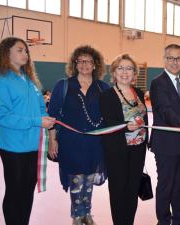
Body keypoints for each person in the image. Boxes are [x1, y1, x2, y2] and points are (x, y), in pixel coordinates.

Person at [0, 37, 55, 225]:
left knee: (27, 188)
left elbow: (40, 107)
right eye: (20, 50)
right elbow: (2, 116)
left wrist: (47, 119)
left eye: (26, 51)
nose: (25, 54)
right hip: (12, 145)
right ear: (6, 53)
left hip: (32, 143)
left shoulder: (28, 80)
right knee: (15, 189)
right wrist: (37, 120)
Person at [47, 45, 110, 225]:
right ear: (75, 63)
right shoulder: (63, 85)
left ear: (95, 64)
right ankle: (76, 215)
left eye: (88, 61)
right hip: (70, 142)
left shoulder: (103, 87)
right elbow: (53, 115)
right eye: (80, 61)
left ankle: (87, 213)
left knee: (89, 178)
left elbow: (110, 115)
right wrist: (53, 140)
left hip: (95, 143)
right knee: (76, 179)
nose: (84, 64)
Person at [149, 44, 180, 225]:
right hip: (166, 145)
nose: (174, 62)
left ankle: (178, 219)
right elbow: (165, 111)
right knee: (165, 186)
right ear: (164, 59)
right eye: (171, 58)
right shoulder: (157, 83)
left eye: (178, 58)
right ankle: (163, 221)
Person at [99, 54, 148, 225]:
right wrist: (125, 125)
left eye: (129, 68)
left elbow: (145, 120)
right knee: (118, 190)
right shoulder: (107, 96)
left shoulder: (139, 93)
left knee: (132, 189)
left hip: (138, 149)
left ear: (135, 73)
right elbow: (108, 122)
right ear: (113, 72)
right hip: (117, 150)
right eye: (120, 68)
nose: (124, 72)